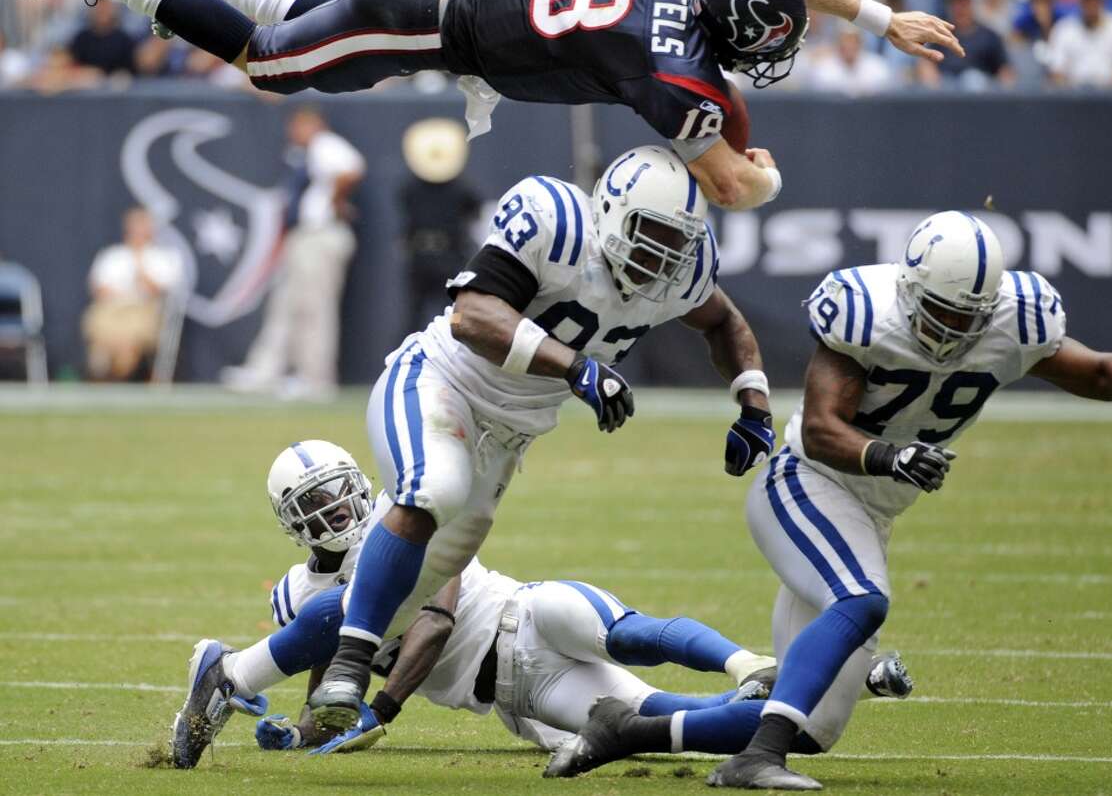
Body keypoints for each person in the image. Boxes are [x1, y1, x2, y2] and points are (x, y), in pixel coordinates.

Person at [544, 210, 1112, 789]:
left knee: (815, 724)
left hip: (871, 511)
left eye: (969, 316)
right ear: (910, 289)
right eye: (942, 311)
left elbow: (1098, 374)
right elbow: (826, 429)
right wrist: (889, 454)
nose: (954, 328)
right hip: (807, 486)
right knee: (862, 597)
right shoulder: (868, 313)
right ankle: (753, 761)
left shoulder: (1015, 321)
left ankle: (625, 727)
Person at [299, 144, 775, 737]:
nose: (661, 255)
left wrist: (753, 403)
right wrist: (576, 367)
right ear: (610, 210)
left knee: (419, 587)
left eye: (675, 241)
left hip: (506, 436)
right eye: (648, 232)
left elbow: (724, 321)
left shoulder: (684, 271)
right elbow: (472, 314)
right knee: (432, 490)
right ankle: (347, 666)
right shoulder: (557, 222)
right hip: (439, 382)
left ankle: (243, 673)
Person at [19, 0, 962, 211]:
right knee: (272, 68)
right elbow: (727, 186)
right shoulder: (666, 66)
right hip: (433, 14)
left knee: (339, 43)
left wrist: (878, 18)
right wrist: (766, 173)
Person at [169, 438, 864, 766]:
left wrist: (382, 711)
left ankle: (751, 664)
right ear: (292, 521)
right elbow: (329, 691)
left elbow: (437, 615)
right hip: (514, 692)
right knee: (657, 719)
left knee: (628, 634)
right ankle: (818, 684)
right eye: (317, 502)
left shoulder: (400, 516)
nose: (341, 507)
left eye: (344, 488)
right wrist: (303, 732)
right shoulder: (298, 594)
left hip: (523, 615)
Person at [220, 106, 364, 399]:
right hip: (304, 237)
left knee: (314, 308)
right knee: (284, 305)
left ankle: (315, 379)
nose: (293, 133)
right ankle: (265, 372)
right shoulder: (306, 153)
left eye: (299, 126)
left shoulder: (326, 144)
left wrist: (335, 203)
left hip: (320, 235)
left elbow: (351, 169)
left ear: (313, 124)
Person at [397, 118, 479, 334]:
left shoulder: (461, 190)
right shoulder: (412, 189)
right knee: (414, 316)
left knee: (455, 314)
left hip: (449, 257)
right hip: (425, 259)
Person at [82, 206, 183, 380]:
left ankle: (118, 372)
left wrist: (139, 264)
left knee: (127, 342)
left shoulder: (164, 257)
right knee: (101, 335)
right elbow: (99, 289)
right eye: (135, 226)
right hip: (112, 310)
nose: (139, 231)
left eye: (143, 226)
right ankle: (103, 371)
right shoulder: (112, 256)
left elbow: (157, 291)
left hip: (144, 311)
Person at [917, 0, 1013, 88]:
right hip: (947, 92)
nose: (959, 7)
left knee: (973, 79)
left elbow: (1005, 71)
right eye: (955, 2)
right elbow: (927, 63)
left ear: (973, 3)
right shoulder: (940, 35)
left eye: (964, 2)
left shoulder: (989, 36)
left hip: (981, 95)